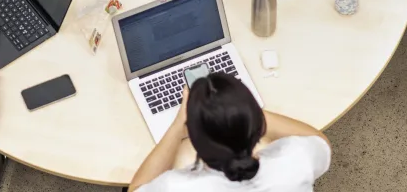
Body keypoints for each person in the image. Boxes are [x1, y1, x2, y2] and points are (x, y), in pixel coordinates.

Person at [129, 73, 331, 191]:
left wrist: (176, 127)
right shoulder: (296, 159)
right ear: (258, 127)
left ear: (196, 143)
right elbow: (320, 142)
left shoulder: (179, 187)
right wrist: (241, 109)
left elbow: (136, 189)